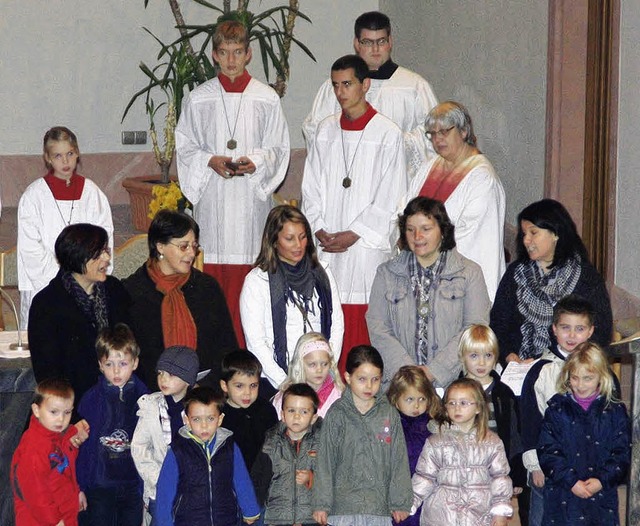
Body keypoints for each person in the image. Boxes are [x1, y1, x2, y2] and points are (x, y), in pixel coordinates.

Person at [176, 20, 290, 347]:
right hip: (213, 204)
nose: (230, 61)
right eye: (224, 53)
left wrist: (256, 162)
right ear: (214, 55)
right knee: (213, 288)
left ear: (248, 54)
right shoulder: (198, 99)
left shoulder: (266, 98)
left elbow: (279, 148)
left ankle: (248, 356)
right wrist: (210, 161)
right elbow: (185, 147)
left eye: (237, 52)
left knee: (249, 290)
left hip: (250, 209)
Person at [302, 54, 407, 367]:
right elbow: (310, 187)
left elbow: (392, 195)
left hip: (364, 248)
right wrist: (319, 227)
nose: (340, 92)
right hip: (328, 242)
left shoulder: (387, 133)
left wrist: (354, 233)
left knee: (362, 321)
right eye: (335, 85)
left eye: (347, 84)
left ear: (365, 85)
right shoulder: (325, 130)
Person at [367, 197, 491, 389]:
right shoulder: (386, 273)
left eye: (426, 229)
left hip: (454, 385)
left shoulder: (469, 272)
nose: (417, 236)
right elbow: (378, 327)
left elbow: (474, 328)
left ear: (442, 231)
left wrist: (435, 371)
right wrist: (409, 373)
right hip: (399, 385)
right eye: (410, 229)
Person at [302, 11, 438, 177]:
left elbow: (433, 133)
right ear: (357, 44)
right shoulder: (335, 86)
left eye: (381, 41)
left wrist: (393, 143)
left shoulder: (414, 86)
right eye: (367, 42)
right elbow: (314, 131)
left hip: (395, 178)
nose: (375, 49)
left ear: (390, 42)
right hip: (345, 176)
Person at [123, 209, 237, 391]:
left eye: (194, 246)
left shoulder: (207, 288)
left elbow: (227, 349)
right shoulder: (132, 292)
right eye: (184, 246)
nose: (192, 254)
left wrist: (203, 387)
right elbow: (126, 357)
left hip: (204, 394)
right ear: (160, 246)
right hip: (150, 394)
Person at [490, 198, 613, 365]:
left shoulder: (585, 277)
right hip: (518, 367)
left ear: (555, 234)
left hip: (571, 369)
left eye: (533, 233)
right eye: (524, 234)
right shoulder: (516, 273)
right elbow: (498, 324)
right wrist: (508, 354)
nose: (526, 240)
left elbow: (601, 332)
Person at [403, 101, 506, 299]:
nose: (437, 139)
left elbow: (474, 242)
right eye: (432, 134)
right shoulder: (431, 165)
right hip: (420, 275)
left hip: (457, 288)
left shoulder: (481, 178)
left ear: (464, 131)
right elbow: (406, 208)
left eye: (444, 131)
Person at [18, 126, 113, 328]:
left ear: (77, 153)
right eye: (58, 155)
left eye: (70, 154)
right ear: (48, 158)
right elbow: (30, 249)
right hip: (46, 285)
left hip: (87, 284)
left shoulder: (92, 193)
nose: (65, 161)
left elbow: (105, 239)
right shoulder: (34, 196)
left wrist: (83, 276)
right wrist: (64, 280)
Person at [240, 205, 344, 389]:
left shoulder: (324, 273)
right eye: (289, 239)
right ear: (273, 241)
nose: (298, 245)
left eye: (303, 237)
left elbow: (337, 326)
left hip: (320, 377)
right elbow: (256, 342)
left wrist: (325, 370)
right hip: (277, 381)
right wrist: (286, 384)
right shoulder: (257, 281)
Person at [29, 223, 130, 407]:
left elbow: (132, 345)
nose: (107, 258)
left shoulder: (115, 291)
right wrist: (72, 416)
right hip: (71, 408)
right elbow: (48, 374)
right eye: (99, 253)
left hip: (119, 399)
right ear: (78, 257)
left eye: (106, 250)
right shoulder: (46, 304)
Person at [313, 345, 412, 526]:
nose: (369, 386)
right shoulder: (337, 414)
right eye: (362, 379)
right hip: (342, 510)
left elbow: (398, 458)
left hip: (378, 509)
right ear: (348, 377)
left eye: (375, 379)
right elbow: (325, 461)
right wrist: (321, 503)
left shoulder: (388, 414)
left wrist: (400, 501)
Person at [519, 295, 596, 526]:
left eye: (579, 328)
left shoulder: (601, 371)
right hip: (548, 463)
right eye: (565, 328)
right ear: (554, 329)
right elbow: (530, 420)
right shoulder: (540, 370)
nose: (572, 335)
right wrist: (535, 465)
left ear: (591, 331)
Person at [538, 343, 630, 525]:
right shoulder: (556, 410)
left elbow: (622, 453)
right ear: (567, 377)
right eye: (575, 378)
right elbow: (548, 451)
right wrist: (570, 481)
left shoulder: (614, 411)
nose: (580, 385)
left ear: (601, 377)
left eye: (588, 378)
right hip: (563, 495)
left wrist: (602, 480)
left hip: (601, 497)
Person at [411, 378, 513, 525]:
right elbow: (424, 476)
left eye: (463, 403)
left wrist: (500, 510)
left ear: (478, 407)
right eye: (452, 403)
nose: (457, 408)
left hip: (478, 516)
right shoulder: (436, 442)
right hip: (441, 516)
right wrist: (410, 502)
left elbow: (500, 478)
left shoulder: (492, 442)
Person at [154, 386, 261, 526]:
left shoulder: (229, 447)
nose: (204, 426)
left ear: (220, 419)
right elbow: (164, 491)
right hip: (188, 521)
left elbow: (242, 480)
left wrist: (250, 509)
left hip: (226, 519)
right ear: (187, 420)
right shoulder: (178, 451)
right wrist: (163, 522)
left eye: (210, 418)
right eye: (197, 419)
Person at [76, 323, 148, 526]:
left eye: (123, 363)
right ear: (100, 365)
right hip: (100, 485)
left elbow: (151, 446)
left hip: (132, 485)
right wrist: (79, 486)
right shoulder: (91, 399)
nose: (116, 371)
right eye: (109, 364)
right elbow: (83, 447)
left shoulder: (146, 400)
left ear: (134, 363)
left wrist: (147, 488)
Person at [458, 324, 528, 525]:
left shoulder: (503, 393)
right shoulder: (455, 391)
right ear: (463, 357)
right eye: (474, 356)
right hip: (464, 472)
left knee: (496, 518)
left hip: (496, 471)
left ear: (496, 357)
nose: (481, 363)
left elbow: (514, 436)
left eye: (488, 356)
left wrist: (516, 474)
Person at [132, 346, 200, 525]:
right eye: (160, 373)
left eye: (171, 375)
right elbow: (139, 448)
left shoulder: (197, 409)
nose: (163, 379)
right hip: (159, 490)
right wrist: (161, 478)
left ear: (188, 380)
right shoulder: (151, 406)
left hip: (191, 491)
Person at [11, 379, 84, 526]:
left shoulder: (57, 436)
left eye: (67, 412)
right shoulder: (33, 447)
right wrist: (54, 521)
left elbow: (66, 471)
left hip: (65, 513)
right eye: (54, 412)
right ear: (36, 410)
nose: (61, 419)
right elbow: (35, 493)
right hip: (42, 521)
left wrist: (77, 492)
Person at [251, 383, 322, 526]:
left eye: (304, 412)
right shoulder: (271, 442)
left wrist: (311, 478)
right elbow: (258, 478)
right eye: (291, 411)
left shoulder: (322, 443)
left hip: (311, 517)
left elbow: (333, 477)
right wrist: (257, 511)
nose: (296, 416)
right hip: (277, 517)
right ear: (282, 415)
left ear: (313, 418)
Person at [386, 366, 440, 526]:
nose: (416, 406)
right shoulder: (388, 427)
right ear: (396, 399)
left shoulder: (434, 427)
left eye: (421, 399)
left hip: (429, 496)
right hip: (398, 496)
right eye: (409, 399)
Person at [219, 350, 279, 473]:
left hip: (265, 480)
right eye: (239, 386)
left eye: (253, 386)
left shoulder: (266, 410)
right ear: (225, 386)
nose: (247, 393)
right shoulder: (218, 416)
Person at [271, 332, 344, 419]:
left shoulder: (339, 396)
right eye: (312, 364)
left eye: (324, 364)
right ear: (300, 364)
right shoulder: (286, 397)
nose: (319, 370)